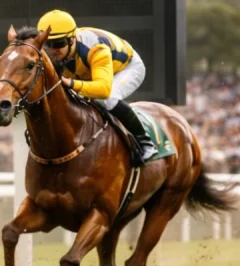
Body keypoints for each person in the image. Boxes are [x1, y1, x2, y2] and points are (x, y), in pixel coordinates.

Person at [38, 9, 158, 162]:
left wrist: (72, 83)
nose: (54, 50)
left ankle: (146, 142)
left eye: (59, 43)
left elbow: (103, 89)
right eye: (48, 44)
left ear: (72, 40)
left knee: (108, 99)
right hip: (91, 73)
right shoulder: (50, 51)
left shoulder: (96, 49)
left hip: (125, 68)